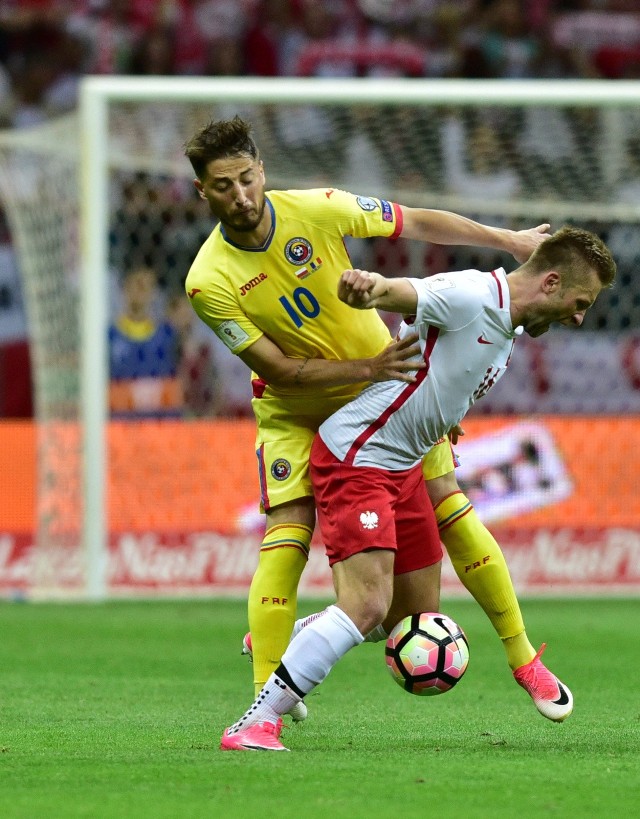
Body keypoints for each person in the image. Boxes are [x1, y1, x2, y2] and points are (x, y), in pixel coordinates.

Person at [184, 115, 552, 722]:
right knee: (289, 530)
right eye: (223, 186)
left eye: (247, 178)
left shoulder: (320, 208)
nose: (241, 196)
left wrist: (509, 241)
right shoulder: (207, 281)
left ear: (262, 171)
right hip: (303, 408)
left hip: (388, 392)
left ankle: (525, 662)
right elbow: (280, 371)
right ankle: (267, 693)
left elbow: (419, 220)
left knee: (427, 553)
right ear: (203, 191)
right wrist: (373, 367)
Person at [220, 225, 616, 751]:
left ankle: (295, 640)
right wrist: (369, 286)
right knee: (364, 606)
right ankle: (254, 722)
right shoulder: (471, 294)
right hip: (357, 458)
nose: (578, 317)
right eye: (579, 302)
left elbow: (443, 367)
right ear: (549, 283)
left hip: (402, 466)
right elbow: (403, 291)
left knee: (406, 619)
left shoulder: (509, 327)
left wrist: (442, 413)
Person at [109, 265, 182, 418]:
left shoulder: (168, 336)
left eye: (148, 286)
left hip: (160, 428)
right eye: (138, 284)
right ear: (125, 288)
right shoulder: (109, 337)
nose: (142, 292)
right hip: (120, 427)